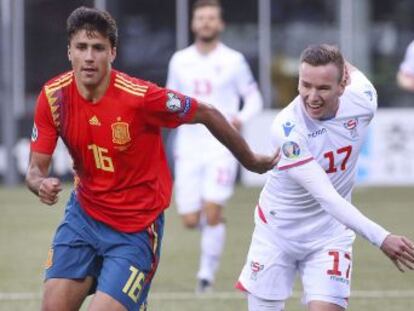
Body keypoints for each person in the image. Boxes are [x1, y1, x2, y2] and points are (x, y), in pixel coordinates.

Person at [25, 7, 279, 311]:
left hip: (135, 228)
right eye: (81, 47)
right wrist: (40, 184)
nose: (89, 57)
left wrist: (250, 160)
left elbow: (207, 112)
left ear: (112, 52)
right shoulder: (53, 97)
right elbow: (34, 170)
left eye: (98, 48)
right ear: (69, 51)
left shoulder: (140, 98)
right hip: (83, 220)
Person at [236, 44, 414, 311]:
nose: (312, 96)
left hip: (329, 235)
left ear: (343, 85)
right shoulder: (288, 130)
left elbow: (346, 64)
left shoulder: (364, 99)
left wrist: (336, 54)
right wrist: (382, 237)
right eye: (305, 85)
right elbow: (327, 197)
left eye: (323, 88)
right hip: (277, 233)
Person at [166, 0, 264, 293]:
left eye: (211, 18)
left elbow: (254, 98)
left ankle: (205, 277)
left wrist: (241, 118)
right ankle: (215, 227)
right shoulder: (179, 60)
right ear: (194, 24)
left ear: (220, 24)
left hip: (222, 146)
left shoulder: (234, 60)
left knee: (210, 210)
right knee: (189, 219)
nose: (206, 23)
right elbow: (169, 99)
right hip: (188, 146)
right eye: (201, 18)